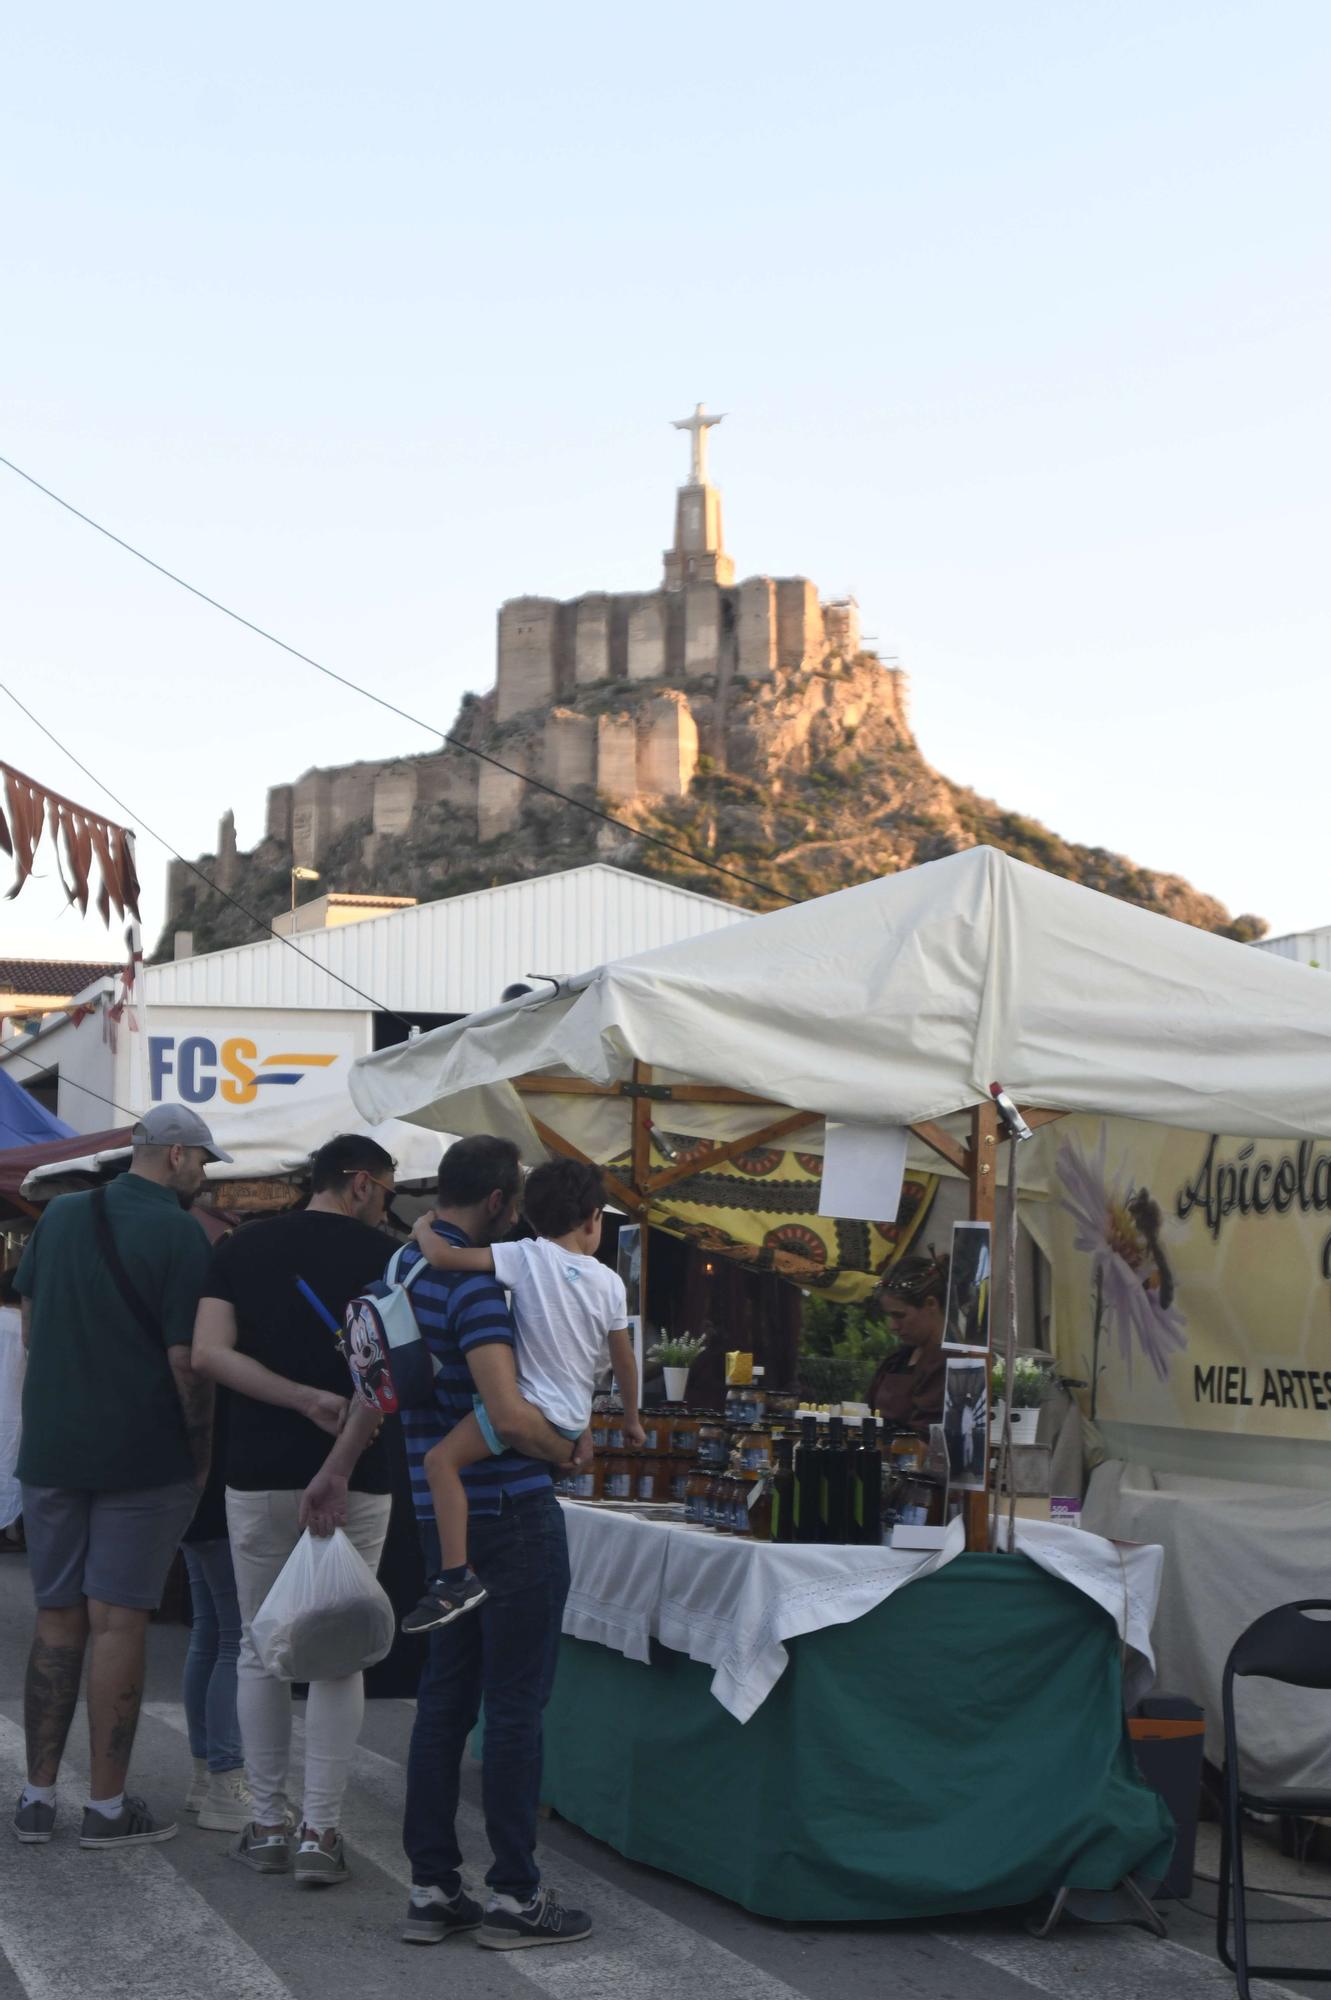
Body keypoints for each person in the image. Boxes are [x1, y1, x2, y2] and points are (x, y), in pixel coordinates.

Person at [375, 1134, 591, 1952]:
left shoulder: (393, 1274)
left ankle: (431, 1889)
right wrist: (562, 1447)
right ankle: (514, 1896)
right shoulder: (478, 1292)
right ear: (502, 1204)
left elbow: (375, 1393)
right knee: (512, 1709)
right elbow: (505, 1415)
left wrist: (334, 1468)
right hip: (511, 1515)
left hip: (442, 1521)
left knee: (444, 1700)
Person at [10, 1104, 227, 1850]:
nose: (204, 1175)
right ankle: (105, 1807)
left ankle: (36, 1799)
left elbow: (32, 1325)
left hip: (52, 1452)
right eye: (202, 1161)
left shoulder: (61, 1217)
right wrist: (199, 1454)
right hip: (139, 1453)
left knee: (57, 1616)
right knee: (117, 1621)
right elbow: (185, 1363)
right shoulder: (180, 1234)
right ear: (173, 1157)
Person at [192, 1132, 396, 1888]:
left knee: (259, 1647)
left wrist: (296, 1397)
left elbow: (208, 1353)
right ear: (361, 1183)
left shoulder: (242, 1250)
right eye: (386, 1190)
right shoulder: (389, 1261)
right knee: (339, 1654)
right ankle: (321, 1831)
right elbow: (387, 1376)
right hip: (359, 1474)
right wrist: (339, 1431)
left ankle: (268, 1823)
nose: (385, 1206)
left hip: (258, 1470)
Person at [402, 1157, 641, 1632]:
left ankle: (454, 1578)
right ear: (595, 1217)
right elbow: (624, 1360)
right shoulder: (610, 1282)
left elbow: (445, 1259)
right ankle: (456, 1578)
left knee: (439, 1463)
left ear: (529, 1215)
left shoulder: (526, 1256)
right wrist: (631, 1418)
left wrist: (423, 1227)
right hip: (571, 1420)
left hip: (525, 1410)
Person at [181, 1386, 251, 1831]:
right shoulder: (223, 1336)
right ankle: (226, 1778)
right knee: (235, 1636)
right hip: (224, 1489)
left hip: (190, 1490)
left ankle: (206, 1776)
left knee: (209, 1633)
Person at [867, 1251, 950, 1437]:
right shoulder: (897, 1360)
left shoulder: (950, 1362)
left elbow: (925, 1441)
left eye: (900, 1315)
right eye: (890, 1316)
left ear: (931, 1304)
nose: (893, 1326)